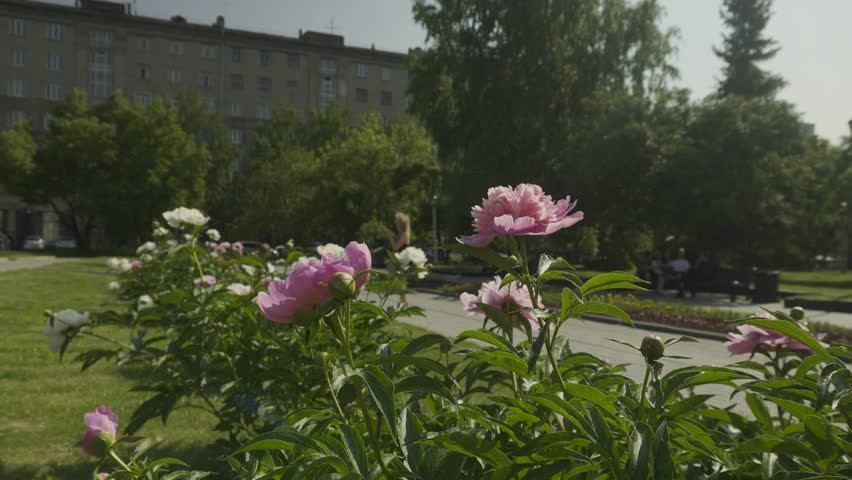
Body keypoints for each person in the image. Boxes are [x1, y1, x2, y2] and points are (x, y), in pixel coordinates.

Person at [384, 211, 411, 306]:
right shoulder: (400, 234)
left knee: (400, 283)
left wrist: (390, 237)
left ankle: (403, 301)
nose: (395, 223)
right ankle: (403, 301)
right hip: (398, 261)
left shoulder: (404, 234)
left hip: (402, 261)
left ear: (401, 223)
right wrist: (392, 235)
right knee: (399, 282)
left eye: (397, 221)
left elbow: (396, 247)